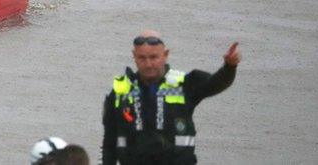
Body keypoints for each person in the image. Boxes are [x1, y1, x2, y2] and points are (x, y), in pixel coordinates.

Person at [101, 30, 241, 165]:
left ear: (165, 55)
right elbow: (109, 143)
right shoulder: (120, 91)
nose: (148, 64)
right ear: (134, 56)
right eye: (142, 58)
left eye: (154, 57)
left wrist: (229, 67)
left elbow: (216, 84)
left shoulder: (184, 84)